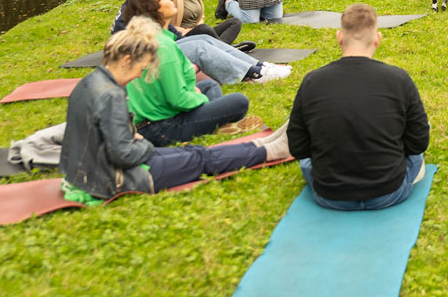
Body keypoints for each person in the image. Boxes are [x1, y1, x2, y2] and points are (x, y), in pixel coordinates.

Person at [59, 16, 290, 204]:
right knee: (201, 160)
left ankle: (260, 145)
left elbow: (101, 138)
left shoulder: (90, 82)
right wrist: (140, 143)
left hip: (93, 173)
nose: (141, 74)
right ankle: (270, 152)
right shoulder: (112, 95)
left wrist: (131, 139)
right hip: (118, 178)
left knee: (195, 152)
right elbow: (126, 155)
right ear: (127, 59)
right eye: (141, 67)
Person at [287, 3, 430, 210]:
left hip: (330, 193)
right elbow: (418, 143)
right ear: (377, 39)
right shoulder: (399, 79)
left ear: (339, 37)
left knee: (307, 163)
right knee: (418, 146)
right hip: (389, 192)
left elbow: (298, 147)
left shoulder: (312, 81)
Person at [121, 0, 261, 145]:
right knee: (239, 101)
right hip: (161, 128)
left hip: (157, 116)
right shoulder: (163, 47)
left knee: (210, 86)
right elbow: (178, 100)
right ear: (154, 10)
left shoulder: (153, 37)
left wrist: (193, 92)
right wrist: (197, 96)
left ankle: (211, 124)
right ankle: (211, 124)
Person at [119, 0, 290, 85]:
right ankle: (252, 74)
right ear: (152, 1)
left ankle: (259, 66)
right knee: (199, 45)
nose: (172, 0)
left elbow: (173, 35)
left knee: (204, 38)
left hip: (162, 47)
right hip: (148, 57)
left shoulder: (148, 9)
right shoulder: (138, 11)